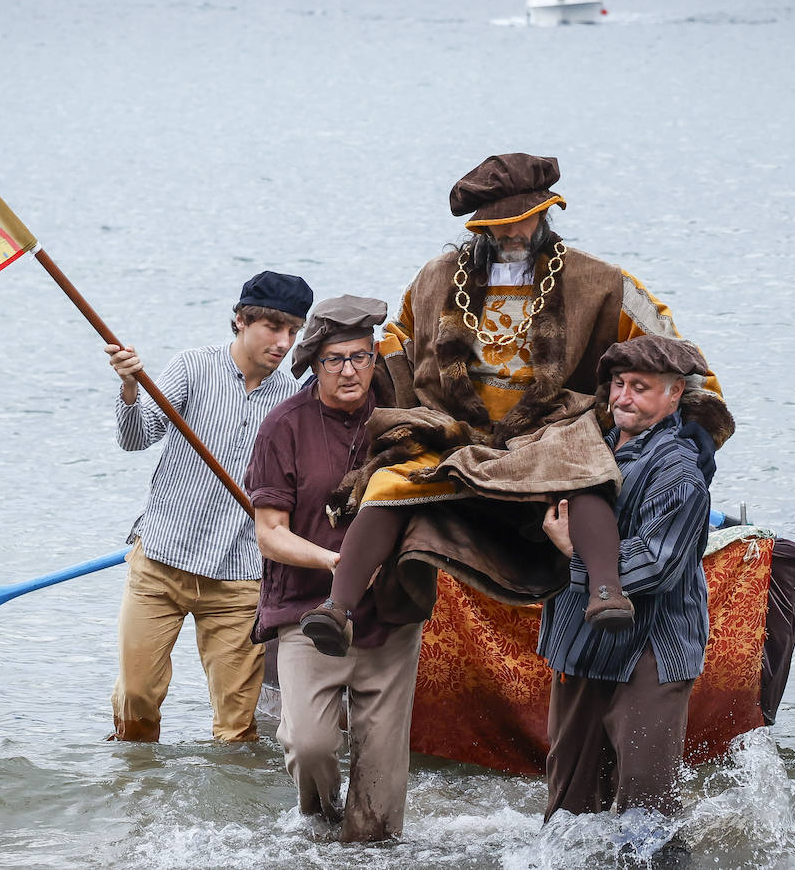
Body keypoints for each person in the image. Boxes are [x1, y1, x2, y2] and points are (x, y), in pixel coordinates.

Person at [300, 153, 732, 656]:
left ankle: (606, 592)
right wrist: (353, 384)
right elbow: (399, 342)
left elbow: (669, 350)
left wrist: (698, 426)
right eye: (497, 227)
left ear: (544, 214)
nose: (511, 235)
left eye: (521, 221)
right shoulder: (437, 278)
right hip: (459, 427)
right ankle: (338, 608)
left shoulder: (598, 281)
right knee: (391, 480)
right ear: (479, 229)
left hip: (547, 426)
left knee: (584, 468)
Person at [245, 295, 426, 842]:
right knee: (309, 743)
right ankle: (319, 826)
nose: (350, 371)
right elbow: (269, 535)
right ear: (314, 364)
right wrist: (335, 561)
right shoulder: (285, 426)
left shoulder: (405, 419)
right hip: (307, 612)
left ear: (376, 358)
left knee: (381, 781)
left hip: (392, 615)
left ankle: (369, 844)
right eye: (335, 360)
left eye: (361, 357)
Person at [106, 270, 313, 743]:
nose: (283, 342)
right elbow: (136, 438)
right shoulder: (192, 367)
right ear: (241, 320)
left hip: (240, 578)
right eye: (273, 327)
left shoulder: (294, 400)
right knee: (136, 698)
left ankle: (231, 813)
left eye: (293, 332)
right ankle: (136, 793)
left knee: (237, 725)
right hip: (160, 561)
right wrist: (131, 389)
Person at [537, 334, 716, 835]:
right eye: (618, 384)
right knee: (566, 816)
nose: (622, 398)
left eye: (640, 387)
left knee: (646, 817)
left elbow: (658, 565)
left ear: (675, 393)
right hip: (581, 639)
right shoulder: (581, 447)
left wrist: (574, 552)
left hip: (653, 651)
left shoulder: (680, 472)